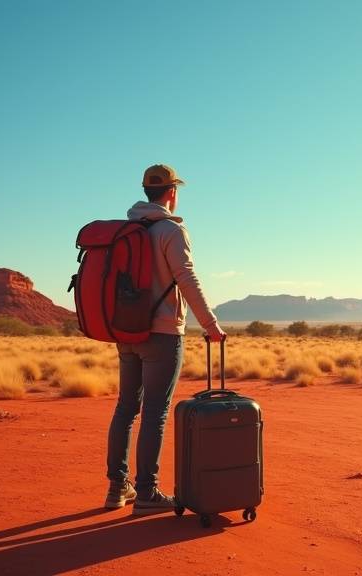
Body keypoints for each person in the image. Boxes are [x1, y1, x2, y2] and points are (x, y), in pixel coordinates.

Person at [104, 163, 226, 514]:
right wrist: (210, 324)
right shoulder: (170, 230)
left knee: (126, 408)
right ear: (172, 192)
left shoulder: (127, 229)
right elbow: (186, 278)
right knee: (154, 414)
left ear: (145, 191)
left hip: (126, 332)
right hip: (161, 334)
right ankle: (146, 494)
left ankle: (117, 488)